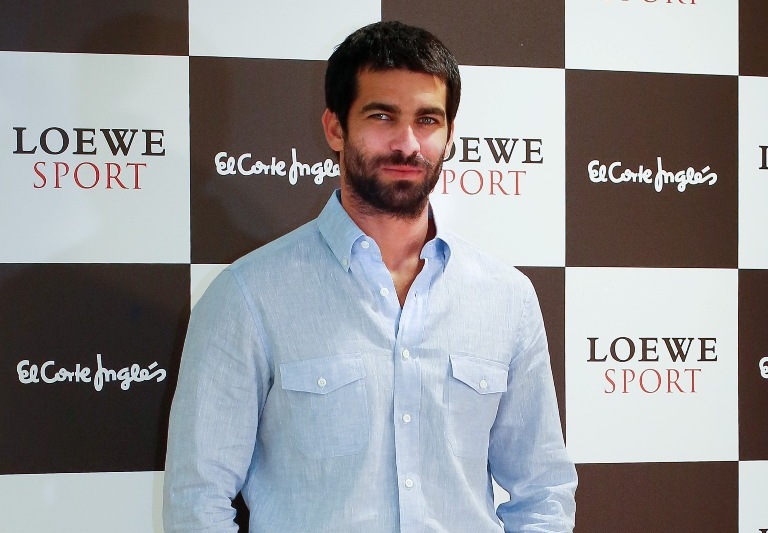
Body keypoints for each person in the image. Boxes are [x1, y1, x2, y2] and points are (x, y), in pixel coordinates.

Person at [163, 20, 577, 533]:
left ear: (449, 135)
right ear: (335, 128)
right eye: (382, 116)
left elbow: (543, 493)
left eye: (428, 120)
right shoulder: (248, 296)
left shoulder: (506, 298)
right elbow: (197, 501)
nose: (407, 143)